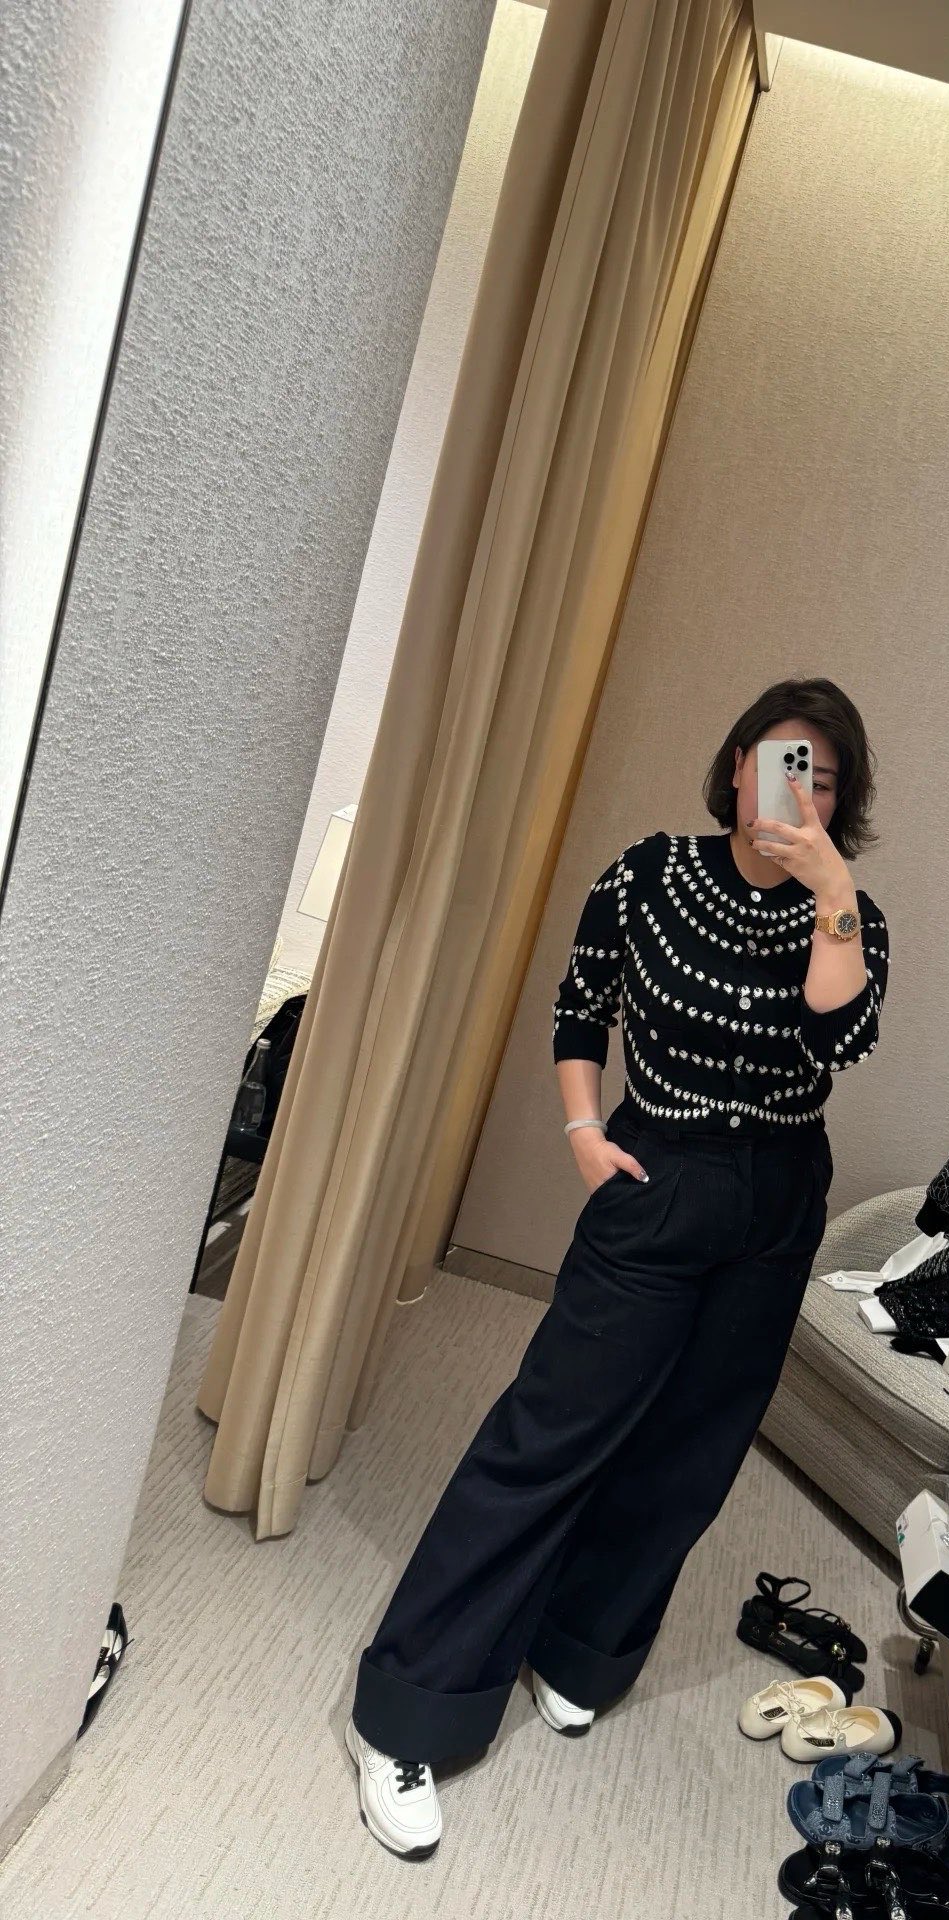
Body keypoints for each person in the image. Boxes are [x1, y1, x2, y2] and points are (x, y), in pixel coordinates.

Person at [344, 676, 889, 1858]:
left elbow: (836, 1033)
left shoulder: (848, 915)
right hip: (660, 1175)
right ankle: (406, 1709)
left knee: (692, 1449)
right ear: (736, 763)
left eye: (823, 775)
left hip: (779, 1196)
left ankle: (579, 1648)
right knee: (550, 1432)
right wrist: (586, 1133)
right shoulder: (647, 874)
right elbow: (578, 1009)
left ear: (839, 799)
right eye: (779, 759)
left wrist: (833, 892)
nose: (795, 787)